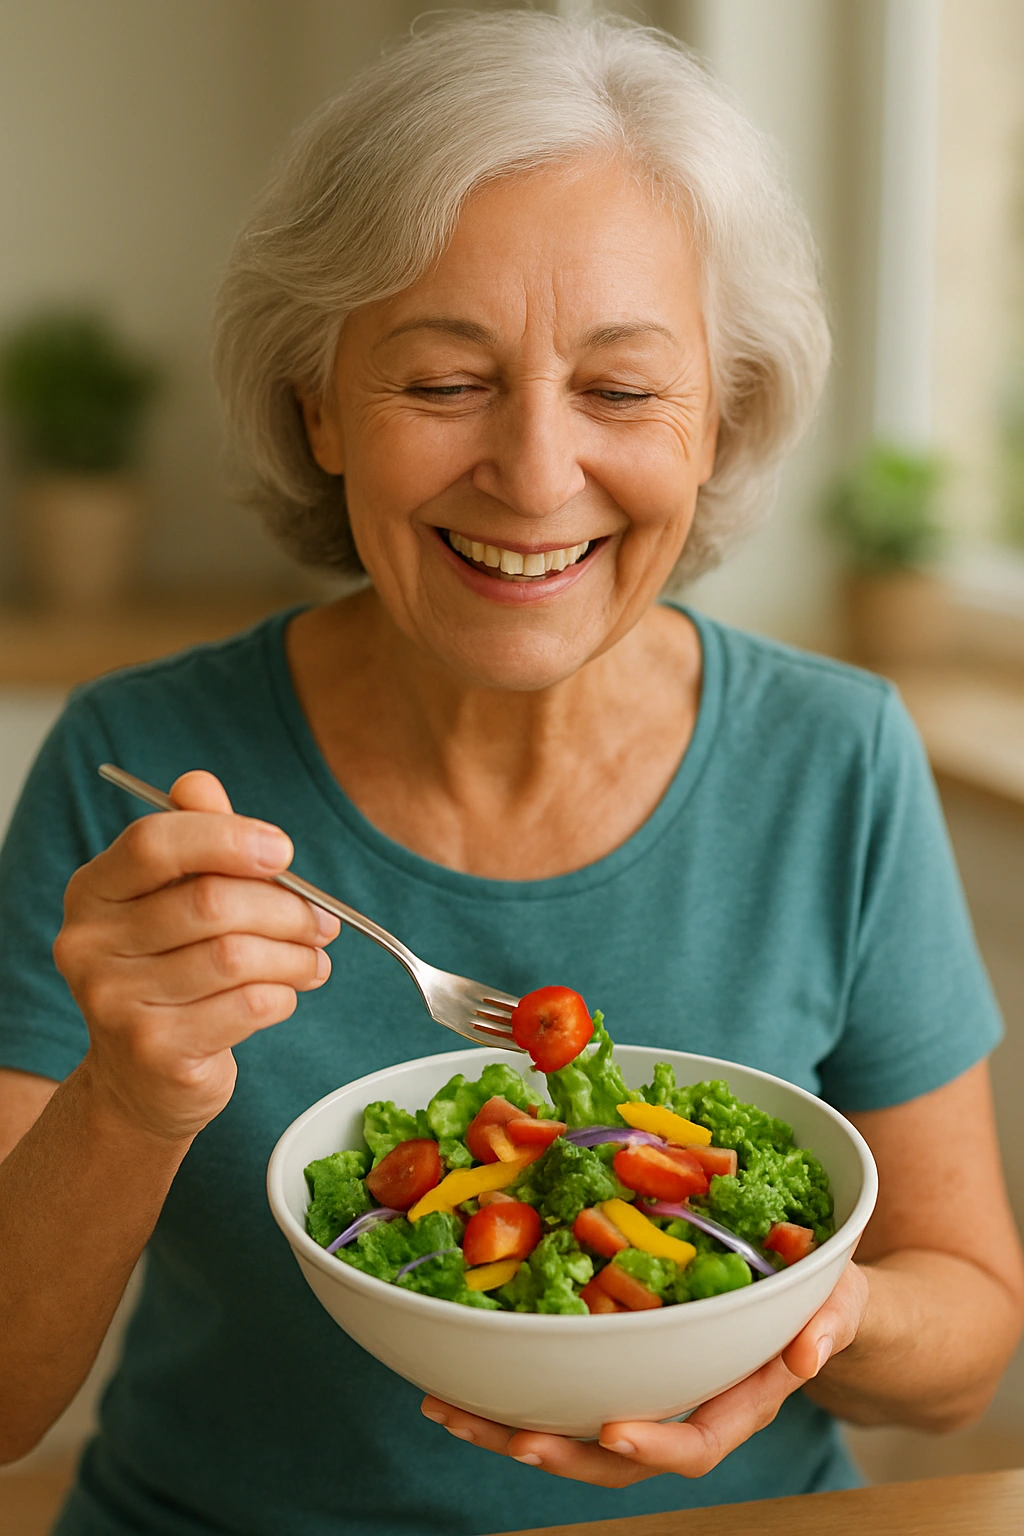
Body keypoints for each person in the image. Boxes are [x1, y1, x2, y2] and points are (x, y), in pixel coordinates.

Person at [0, 12, 1021, 1536]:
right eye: (442, 381)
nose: (537, 477)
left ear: (720, 421)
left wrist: (796, 1323)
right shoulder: (140, 771)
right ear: (318, 410)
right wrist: (135, 1100)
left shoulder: (838, 757)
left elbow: (961, 1342)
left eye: (620, 391)